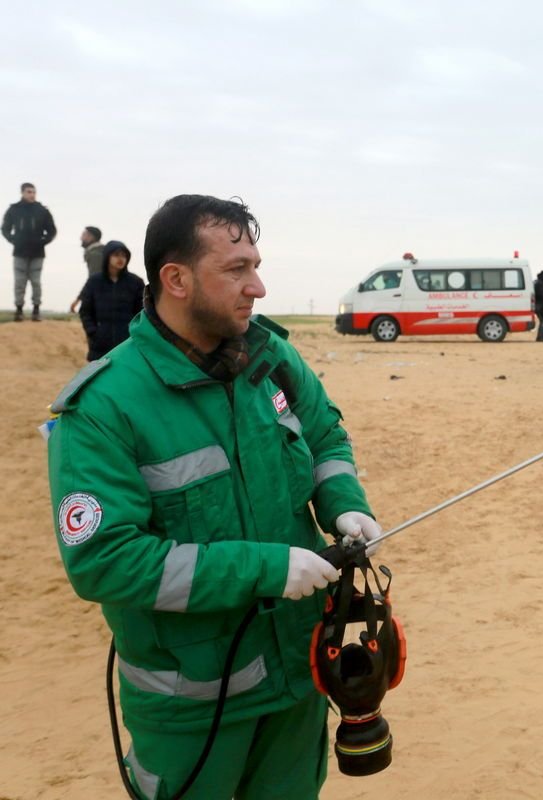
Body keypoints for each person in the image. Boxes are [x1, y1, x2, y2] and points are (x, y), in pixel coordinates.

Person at [47, 195, 384, 799]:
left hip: (299, 678)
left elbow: (326, 434)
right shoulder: (103, 406)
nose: (257, 286)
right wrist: (265, 568)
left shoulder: (271, 356)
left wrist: (343, 502)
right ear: (175, 279)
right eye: (235, 270)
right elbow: (104, 560)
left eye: (256, 264)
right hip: (193, 706)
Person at [78, 240, 145, 361]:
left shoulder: (136, 282)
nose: (120, 259)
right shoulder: (94, 282)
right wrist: (93, 332)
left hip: (127, 343)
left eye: (124, 255)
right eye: (116, 255)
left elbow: (141, 312)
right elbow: (85, 311)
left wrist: (134, 333)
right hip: (100, 344)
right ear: (107, 257)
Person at [3, 182, 57, 321]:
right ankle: (19, 310)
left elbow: (52, 230)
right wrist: (13, 239)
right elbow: (5, 228)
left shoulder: (42, 211)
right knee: (19, 282)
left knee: (36, 282)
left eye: (33, 192)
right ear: (22, 193)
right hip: (19, 252)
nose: (32, 194)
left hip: (37, 252)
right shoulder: (14, 210)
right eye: (29, 192)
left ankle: (36, 310)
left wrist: (43, 241)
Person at [71, 226, 106, 314]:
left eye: (84, 235)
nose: (81, 238)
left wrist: (78, 300)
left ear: (91, 237)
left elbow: (94, 280)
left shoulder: (95, 254)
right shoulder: (100, 251)